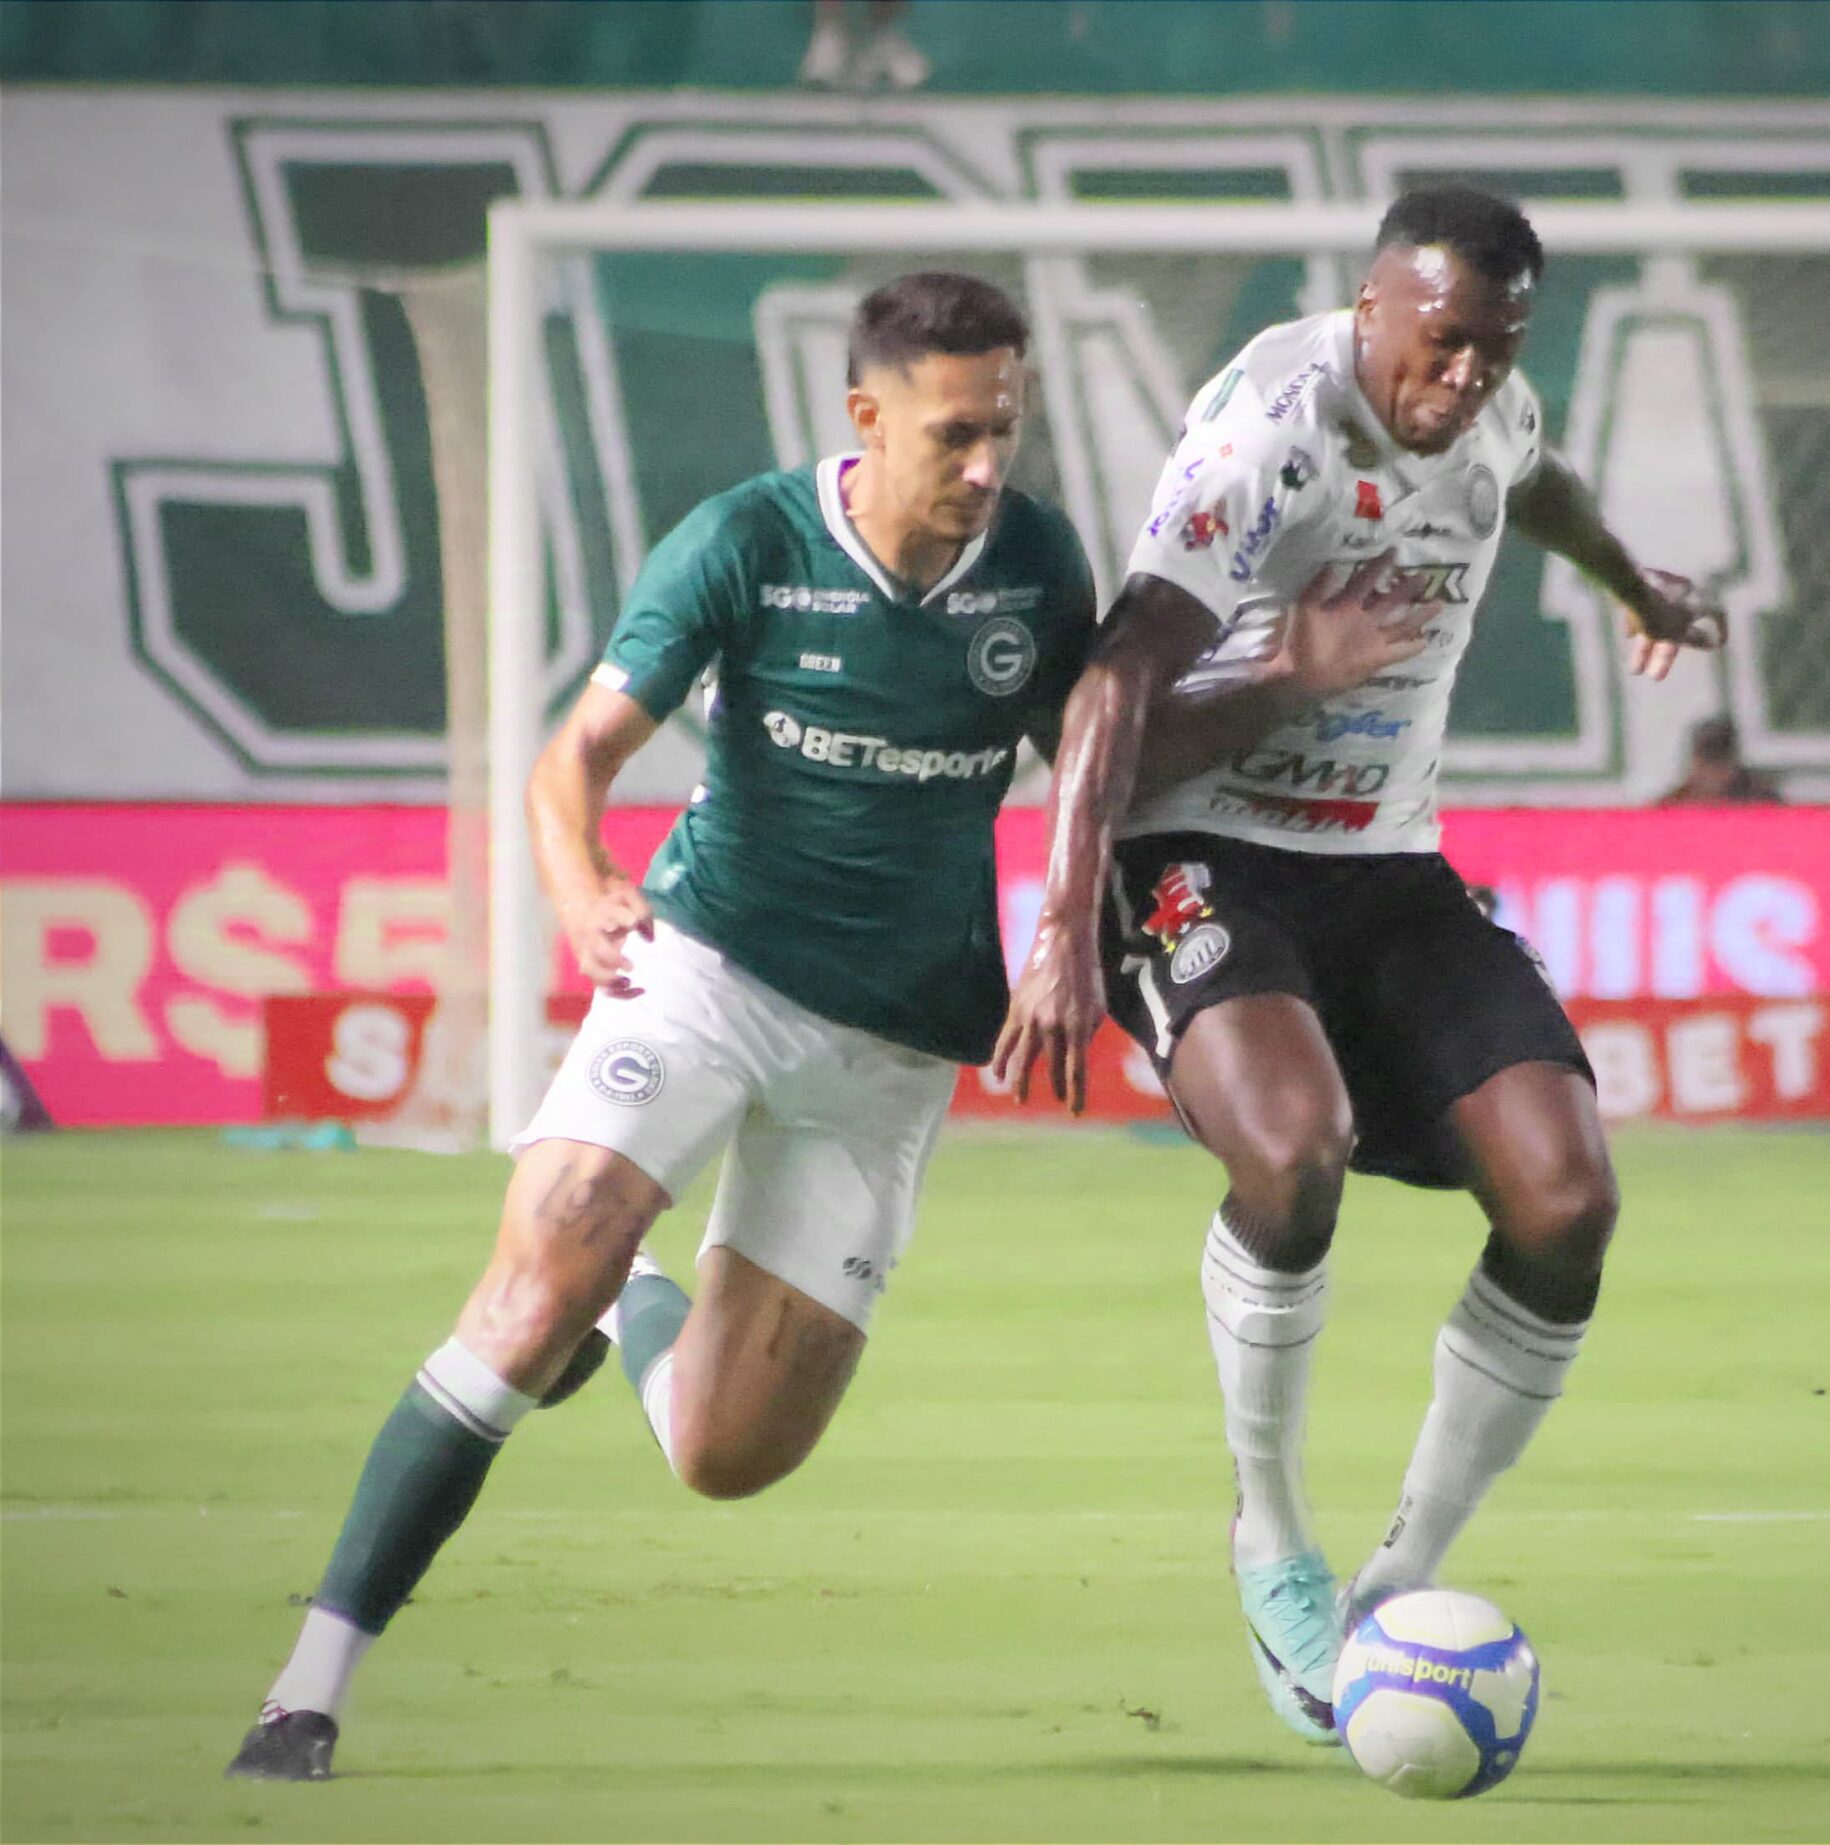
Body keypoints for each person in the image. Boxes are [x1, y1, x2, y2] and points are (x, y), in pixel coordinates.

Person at [228, 274, 1099, 1780]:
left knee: (722, 1454)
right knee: (534, 1271)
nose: (982, 468)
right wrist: (582, 890)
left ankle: (627, 1299)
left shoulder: (1034, 564)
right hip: (706, 968)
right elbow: (571, 760)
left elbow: (1093, 756)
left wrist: (1077, 928)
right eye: (953, 434)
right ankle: (306, 1689)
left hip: (893, 1046)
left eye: (1001, 434)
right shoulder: (745, 542)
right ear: (866, 414)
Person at [992, 185, 1722, 1742]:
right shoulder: (1273, 436)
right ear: (1371, 303)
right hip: (1193, 848)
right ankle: (1272, 1534)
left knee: (1568, 1199)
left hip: (1385, 864)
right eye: (1440, 344)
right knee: (1294, 1148)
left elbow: (1538, 480)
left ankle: (1400, 1582)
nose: (1462, 379)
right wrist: (1062, 924)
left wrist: (1635, 584)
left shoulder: (1494, 408)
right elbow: (1107, 694)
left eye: (1495, 350)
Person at [1655, 716, 1782, 805]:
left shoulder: (1761, 801)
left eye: (1719, 763)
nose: (1712, 773)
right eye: (1707, 762)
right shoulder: (1673, 804)